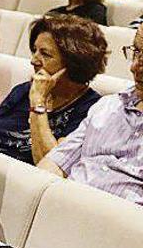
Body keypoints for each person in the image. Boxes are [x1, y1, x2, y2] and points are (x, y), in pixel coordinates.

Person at [0, 15, 106, 165]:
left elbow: (49, 165)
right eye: (34, 51)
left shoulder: (91, 109)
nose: (33, 60)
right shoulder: (23, 90)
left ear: (74, 62)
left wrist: (38, 102)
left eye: (45, 54)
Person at [38, 24, 143, 205]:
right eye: (137, 52)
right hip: (62, 208)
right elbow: (54, 164)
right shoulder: (107, 106)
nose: (134, 67)